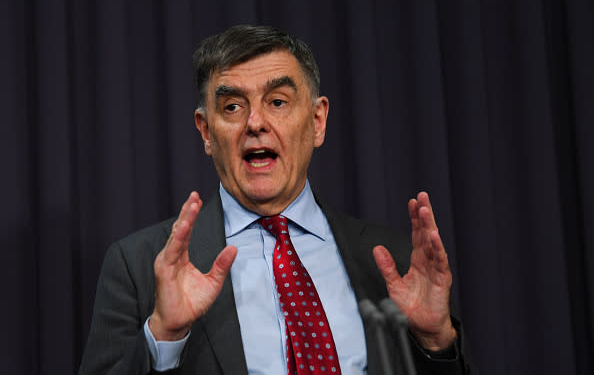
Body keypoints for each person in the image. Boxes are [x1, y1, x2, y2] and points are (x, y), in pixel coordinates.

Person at [79, 25, 475, 375]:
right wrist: (163, 338)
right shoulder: (138, 265)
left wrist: (436, 342)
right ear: (205, 131)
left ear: (317, 121)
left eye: (278, 102)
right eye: (232, 106)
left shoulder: (394, 259)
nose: (255, 123)